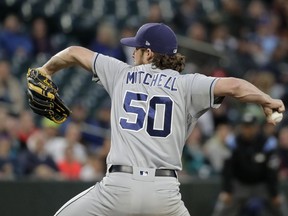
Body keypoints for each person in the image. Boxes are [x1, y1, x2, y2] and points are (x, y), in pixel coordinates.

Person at [33, 23, 284, 216]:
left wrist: (46, 70)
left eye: (137, 49)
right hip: (165, 193)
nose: (133, 54)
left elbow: (74, 52)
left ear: (149, 53)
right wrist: (265, 100)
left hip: (118, 188)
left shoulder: (121, 73)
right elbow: (235, 86)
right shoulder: (188, 85)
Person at [212, 113, 288, 216]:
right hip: (240, 184)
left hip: (262, 184)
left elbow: (272, 171)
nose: (247, 129)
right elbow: (228, 169)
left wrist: (274, 193)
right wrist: (227, 190)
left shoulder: (267, 142)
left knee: (280, 205)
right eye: (245, 126)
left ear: (256, 127)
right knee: (222, 207)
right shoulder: (234, 142)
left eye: (250, 127)